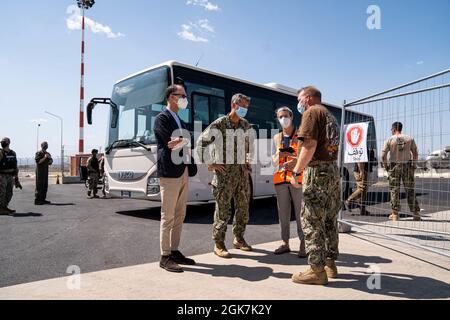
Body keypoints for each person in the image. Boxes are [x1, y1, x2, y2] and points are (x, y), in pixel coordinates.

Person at [290, 86, 341, 285]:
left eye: (300, 99)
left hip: (317, 173)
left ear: (308, 98)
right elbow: (320, 147)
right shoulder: (330, 116)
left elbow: (309, 145)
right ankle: (330, 264)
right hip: (331, 172)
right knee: (329, 219)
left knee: (311, 219)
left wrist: (296, 171)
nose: (299, 103)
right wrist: (298, 160)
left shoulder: (312, 112)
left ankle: (316, 270)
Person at [196, 93, 254, 259]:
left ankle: (239, 238)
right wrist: (210, 163)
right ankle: (219, 243)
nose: (245, 110)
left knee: (243, 209)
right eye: (243, 106)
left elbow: (249, 145)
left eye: (247, 107)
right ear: (234, 105)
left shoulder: (245, 125)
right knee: (223, 211)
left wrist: (247, 160)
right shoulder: (220, 124)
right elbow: (201, 143)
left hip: (242, 176)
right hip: (224, 176)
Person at [154, 84, 197, 273]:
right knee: (168, 216)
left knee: (180, 214)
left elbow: (189, 141)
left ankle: (174, 250)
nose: (185, 99)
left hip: (183, 171)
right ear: (172, 97)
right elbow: (170, 144)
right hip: (170, 173)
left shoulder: (180, 120)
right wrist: (182, 141)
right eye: (182, 96)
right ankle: (165, 256)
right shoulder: (161, 119)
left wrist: (182, 141)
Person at [272, 107, 306, 257]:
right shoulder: (277, 137)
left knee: (301, 213)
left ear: (292, 117)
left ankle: (304, 244)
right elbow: (274, 159)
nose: (283, 119)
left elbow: (307, 156)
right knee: (283, 213)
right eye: (280, 117)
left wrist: (296, 161)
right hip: (280, 179)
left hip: (297, 179)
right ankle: (285, 243)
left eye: (286, 116)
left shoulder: (301, 135)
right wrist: (278, 156)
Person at [382, 122, 421, 221]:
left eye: (391, 129)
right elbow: (415, 153)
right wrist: (414, 165)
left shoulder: (390, 139)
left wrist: (386, 166)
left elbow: (383, 156)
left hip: (394, 165)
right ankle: (416, 214)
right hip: (407, 165)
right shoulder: (409, 139)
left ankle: (395, 214)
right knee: (410, 189)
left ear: (394, 129)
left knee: (394, 189)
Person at [0, 138, 22, 215]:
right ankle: (0, 208)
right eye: (2, 142)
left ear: (9, 142)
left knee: (9, 193)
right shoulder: (1, 152)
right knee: (2, 192)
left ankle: (4, 207)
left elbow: (15, 166)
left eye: (4, 141)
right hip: (2, 175)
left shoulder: (13, 153)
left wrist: (16, 179)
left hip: (10, 175)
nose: (2, 142)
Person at [35, 141, 53, 205]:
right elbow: (38, 162)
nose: (46, 145)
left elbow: (50, 162)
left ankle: (43, 199)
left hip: (45, 171)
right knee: (39, 185)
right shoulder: (39, 153)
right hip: (40, 172)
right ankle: (37, 200)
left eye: (47, 144)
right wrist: (45, 157)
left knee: (45, 185)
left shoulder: (48, 153)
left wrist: (49, 158)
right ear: (42, 145)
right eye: (45, 144)